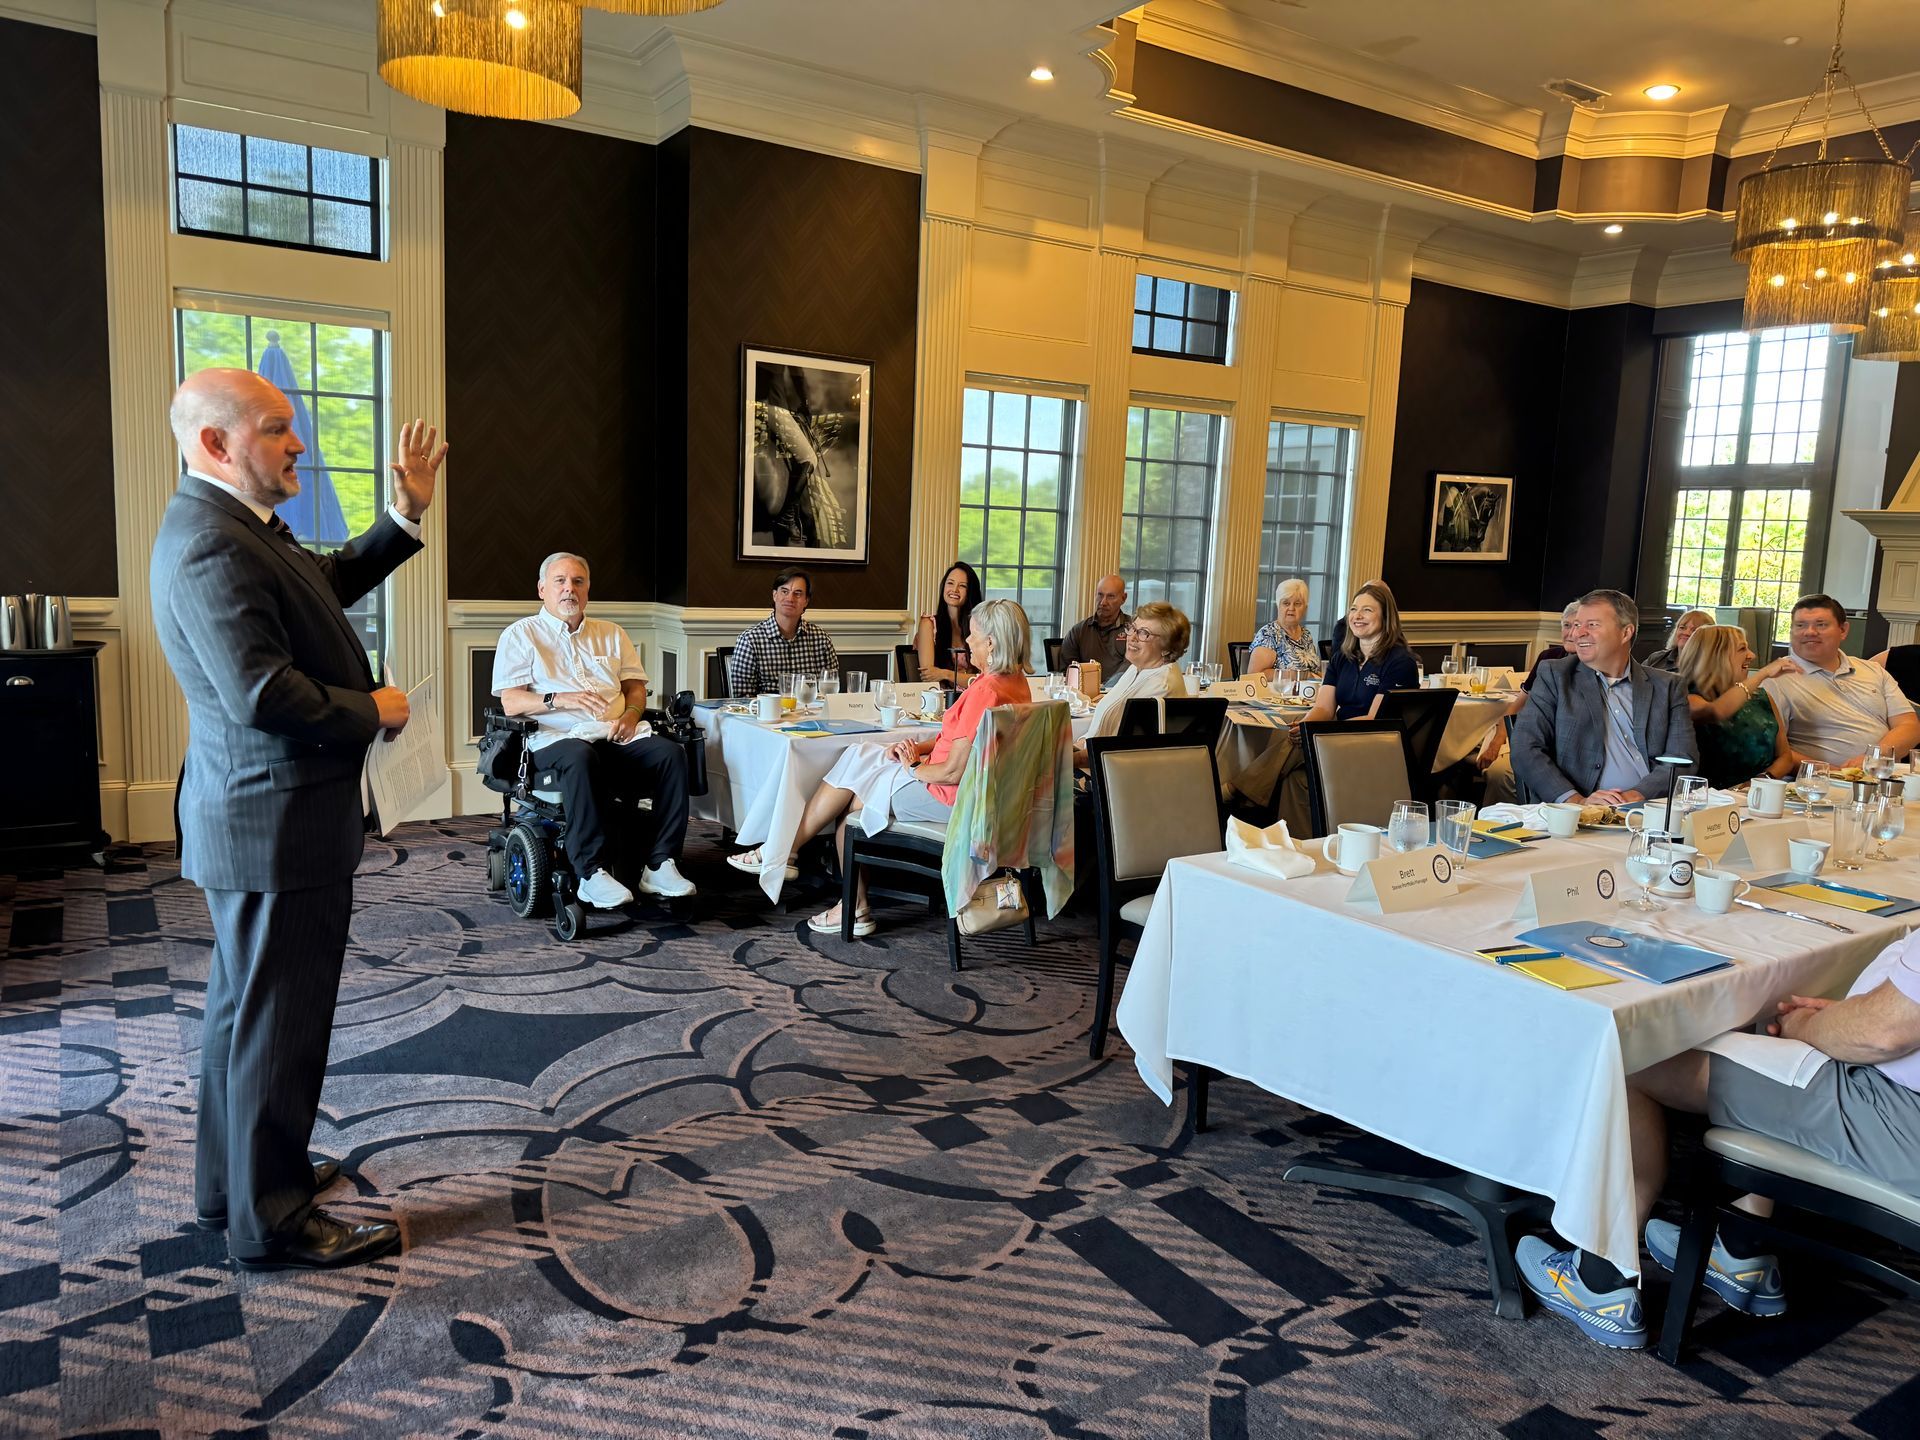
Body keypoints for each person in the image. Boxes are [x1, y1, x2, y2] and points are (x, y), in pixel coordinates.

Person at [151, 369, 445, 1271]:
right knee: (279, 1022)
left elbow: (321, 584)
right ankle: (271, 1221)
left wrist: (404, 516)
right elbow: (258, 690)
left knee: (242, 1014)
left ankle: (231, 1185)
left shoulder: (234, 527)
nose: (299, 445)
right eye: (278, 429)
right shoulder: (210, 541)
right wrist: (376, 710)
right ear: (215, 444)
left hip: (262, 816)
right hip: (275, 822)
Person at [1515, 928, 1920, 1350]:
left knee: (1630, 1061)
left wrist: (1818, 1026)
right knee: (1766, 1033)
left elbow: (1882, 1034)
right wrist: (1858, 1013)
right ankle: (1738, 1250)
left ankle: (1599, 1282)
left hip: (1899, 1114)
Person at [725, 600, 1034, 931]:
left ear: (992, 642)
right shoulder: (1016, 684)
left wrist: (912, 766)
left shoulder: (985, 691)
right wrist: (917, 748)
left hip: (953, 798)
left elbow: (952, 772)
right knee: (861, 762)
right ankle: (794, 861)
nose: (966, 642)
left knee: (854, 798)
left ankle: (802, 866)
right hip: (985, 795)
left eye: (973, 636)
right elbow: (963, 742)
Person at [492, 552, 696, 909]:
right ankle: (591, 873)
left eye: (577, 582)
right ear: (542, 589)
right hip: (554, 741)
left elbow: (634, 687)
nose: (569, 589)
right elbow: (512, 703)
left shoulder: (611, 634)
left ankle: (660, 863)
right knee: (580, 755)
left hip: (614, 734)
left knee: (671, 754)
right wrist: (560, 698)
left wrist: (632, 716)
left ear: (587, 590)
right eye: (560, 581)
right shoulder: (521, 635)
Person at [1509, 588, 1695, 806]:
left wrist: (1632, 796)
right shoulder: (1556, 676)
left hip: (1650, 809)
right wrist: (1577, 802)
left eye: (1592, 625)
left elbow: (1682, 759)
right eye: (1577, 625)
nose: (1577, 633)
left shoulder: (1668, 686)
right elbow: (1525, 749)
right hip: (1577, 816)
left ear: (1625, 633)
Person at [1763, 594, 1920, 768]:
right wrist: (1833, 772)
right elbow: (1771, 749)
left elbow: (1909, 726)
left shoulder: (1874, 670)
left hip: (1884, 777)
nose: (1809, 632)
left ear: (1843, 630)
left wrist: (1873, 757)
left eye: (1821, 625)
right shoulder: (1776, 680)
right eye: (1800, 625)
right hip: (1820, 784)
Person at [1477, 602, 1578, 804]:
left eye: (1579, 626)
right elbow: (1518, 705)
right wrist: (1497, 742)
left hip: (1564, 749)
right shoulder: (1548, 659)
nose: (1572, 633)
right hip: (1534, 740)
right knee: (1498, 771)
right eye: (1567, 626)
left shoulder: (1598, 668)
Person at [1676, 625, 1796, 789]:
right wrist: (1763, 673)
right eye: (1742, 649)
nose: (1752, 655)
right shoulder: (1687, 698)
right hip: (1707, 801)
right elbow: (1716, 711)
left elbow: (1785, 756)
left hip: (1757, 797)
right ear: (1716, 656)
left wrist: (1760, 782)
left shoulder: (1761, 698)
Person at [1293, 581, 1418, 727]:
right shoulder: (1341, 658)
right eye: (1353, 609)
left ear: (1385, 617)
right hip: (1338, 739)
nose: (1357, 616)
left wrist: (1325, 732)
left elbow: (1375, 720)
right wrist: (1304, 726)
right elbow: (1324, 708)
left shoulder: (1401, 663)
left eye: (1367, 610)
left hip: (1375, 742)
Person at [1075, 602, 1190, 761]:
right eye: (1133, 628)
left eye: (1144, 633)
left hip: (1116, 777)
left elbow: (1119, 752)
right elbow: (1099, 733)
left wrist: (1067, 761)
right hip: (1096, 762)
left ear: (1168, 648)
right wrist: (1076, 746)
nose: (1132, 637)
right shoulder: (1137, 667)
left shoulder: (1162, 686)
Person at [728, 566, 838, 697]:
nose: (790, 599)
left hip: (811, 714)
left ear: (806, 601)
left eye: (797, 593)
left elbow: (831, 695)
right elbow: (743, 699)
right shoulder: (750, 640)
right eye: (784, 592)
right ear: (775, 595)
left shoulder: (822, 640)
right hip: (767, 715)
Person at [915, 560, 982, 685]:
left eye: (962, 586)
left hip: (974, 696)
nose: (954, 590)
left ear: (970, 592)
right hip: (942, 698)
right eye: (950, 583)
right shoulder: (929, 624)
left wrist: (944, 673)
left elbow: (985, 679)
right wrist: (964, 677)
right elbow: (928, 676)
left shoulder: (978, 627)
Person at [1246, 578, 1323, 680]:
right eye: (1286, 603)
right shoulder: (1268, 635)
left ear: (1305, 608)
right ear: (1278, 606)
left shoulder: (1306, 635)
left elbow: (1314, 671)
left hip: (1308, 693)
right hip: (1278, 694)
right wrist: (1301, 676)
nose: (1291, 608)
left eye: (1297, 604)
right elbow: (1254, 676)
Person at [1058, 574, 1130, 678]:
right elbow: (1067, 673)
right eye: (1100, 595)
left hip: (1122, 691)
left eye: (1111, 596)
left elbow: (1134, 669)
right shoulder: (1078, 631)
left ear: (1123, 598)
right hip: (1085, 691)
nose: (1103, 602)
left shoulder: (1134, 631)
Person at [1643, 608, 1716, 673]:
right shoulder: (1656, 658)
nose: (1686, 633)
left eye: (1694, 630)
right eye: (1682, 627)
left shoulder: (1711, 667)